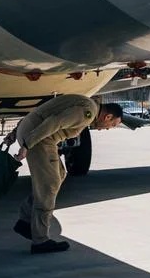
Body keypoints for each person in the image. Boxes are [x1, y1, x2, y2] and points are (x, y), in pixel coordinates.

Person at [12, 96, 124, 253]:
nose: (106, 128)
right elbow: (54, 122)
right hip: (38, 139)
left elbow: (44, 111)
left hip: (36, 135)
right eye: (111, 125)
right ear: (108, 116)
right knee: (48, 186)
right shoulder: (88, 112)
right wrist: (26, 145)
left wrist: (15, 134)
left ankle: (25, 221)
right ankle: (40, 241)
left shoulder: (89, 106)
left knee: (59, 174)